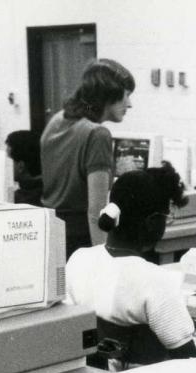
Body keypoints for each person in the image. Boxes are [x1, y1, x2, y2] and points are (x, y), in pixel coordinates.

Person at [66, 163, 196, 365]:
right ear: (151, 222)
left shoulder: (79, 259)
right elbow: (193, 368)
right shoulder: (155, 280)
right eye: (167, 216)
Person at [40, 58, 135, 257]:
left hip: (50, 234)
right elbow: (96, 212)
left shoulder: (56, 120)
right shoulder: (98, 134)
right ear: (110, 93)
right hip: (81, 239)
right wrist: (101, 260)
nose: (130, 104)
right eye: (127, 95)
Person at [5, 130, 42, 206]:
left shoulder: (18, 200)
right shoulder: (51, 192)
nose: (5, 165)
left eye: (8, 160)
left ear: (20, 166)